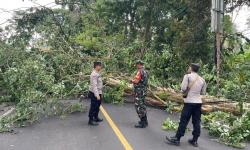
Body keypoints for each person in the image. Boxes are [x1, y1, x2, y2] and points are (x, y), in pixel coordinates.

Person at [166, 63, 207, 147]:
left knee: (184, 120)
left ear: (191, 68)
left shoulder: (187, 76)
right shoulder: (202, 79)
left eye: (189, 67)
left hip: (189, 102)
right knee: (196, 122)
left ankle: (177, 138)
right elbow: (203, 92)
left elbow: (183, 88)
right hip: (198, 103)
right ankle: (194, 140)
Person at [131, 60, 149, 128]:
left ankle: (143, 123)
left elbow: (136, 81)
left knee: (139, 106)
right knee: (142, 105)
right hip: (143, 91)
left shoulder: (140, 72)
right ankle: (145, 121)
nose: (136, 66)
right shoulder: (146, 71)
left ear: (139, 65)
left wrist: (132, 81)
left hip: (139, 92)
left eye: (137, 64)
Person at [88, 61, 103, 126]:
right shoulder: (94, 74)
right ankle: (90, 120)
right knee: (93, 106)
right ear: (96, 66)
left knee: (98, 105)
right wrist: (97, 95)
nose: (100, 67)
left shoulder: (97, 73)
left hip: (98, 91)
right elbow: (94, 86)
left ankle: (96, 117)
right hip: (94, 93)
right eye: (99, 66)